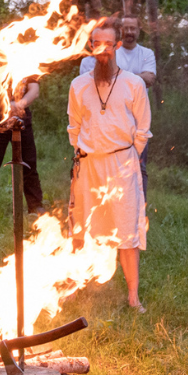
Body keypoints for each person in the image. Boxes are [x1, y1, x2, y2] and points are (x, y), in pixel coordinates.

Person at [67, 18, 151, 312]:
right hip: (89, 165)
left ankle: (133, 296)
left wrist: (126, 155)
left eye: (107, 44)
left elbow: (143, 130)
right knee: (81, 228)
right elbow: (73, 128)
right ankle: (74, 286)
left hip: (123, 165)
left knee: (127, 230)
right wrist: (87, 154)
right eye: (96, 44)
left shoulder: (133, 83)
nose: (102, 50)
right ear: (90, 47)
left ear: (116, 46)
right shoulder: (78, 85)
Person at [79, 16, 156, 201]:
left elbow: (150, 78)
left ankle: (139, 209)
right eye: (126, 28)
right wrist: (134, 79)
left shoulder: (146, 53)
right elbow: (92, 85)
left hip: (136, 122)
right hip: (106, 123)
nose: (130, 32)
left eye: (133, 28)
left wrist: (119, 78)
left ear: (139, 30)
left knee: (139, 167)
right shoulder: (110, 51)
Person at [0, 77, 46, 215]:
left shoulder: (27, 59)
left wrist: (20, 105)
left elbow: (34, 90)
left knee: (29, 163)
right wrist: (5, 107)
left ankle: (35, 205)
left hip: (22, 120)